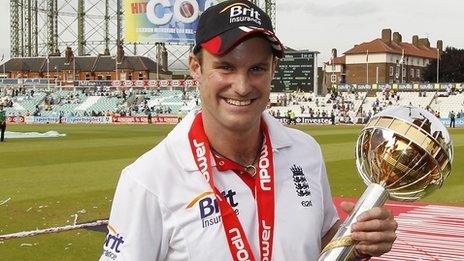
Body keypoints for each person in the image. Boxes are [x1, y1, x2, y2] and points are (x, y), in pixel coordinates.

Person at [100, 1, 397, 260]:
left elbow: (314, 243)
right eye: (226, 67)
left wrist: (357, 243)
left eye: (256, 69)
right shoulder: (148, 179)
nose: (242, 87)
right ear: (196, 67)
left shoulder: (305, 152)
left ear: (273, 70)